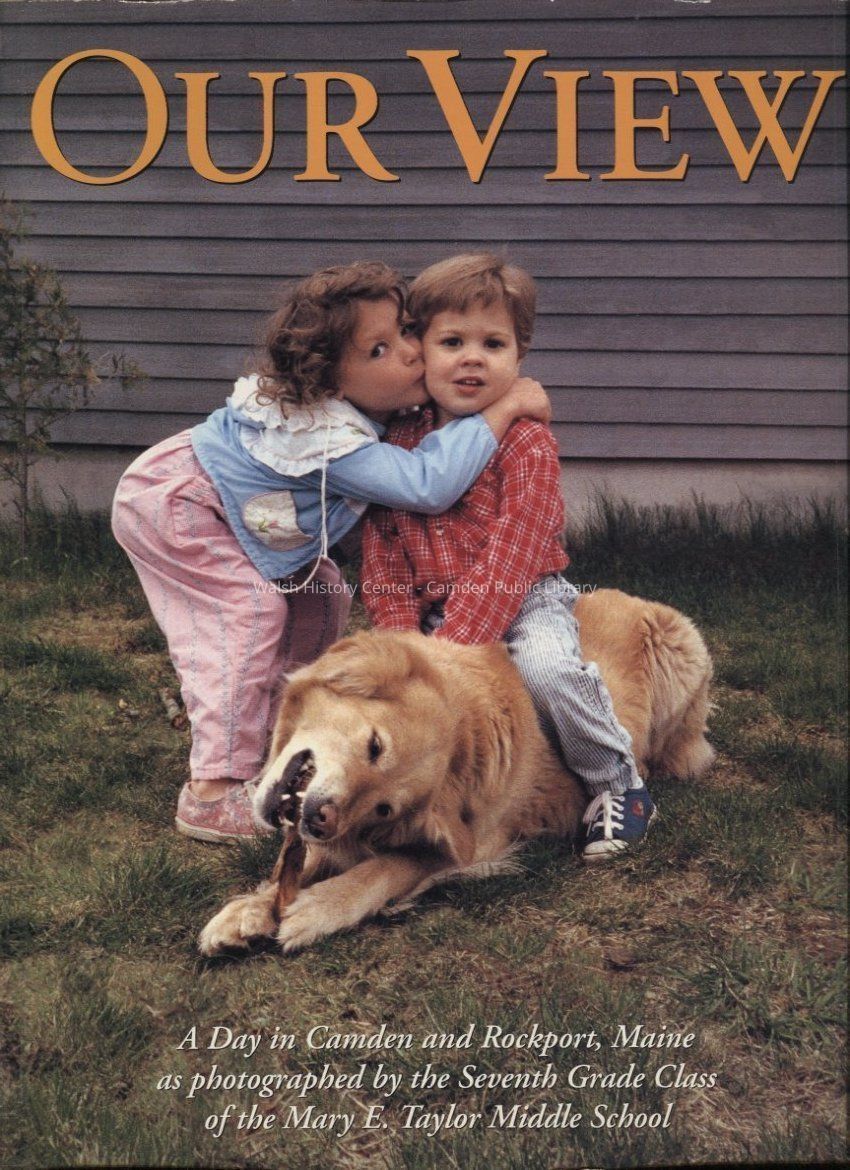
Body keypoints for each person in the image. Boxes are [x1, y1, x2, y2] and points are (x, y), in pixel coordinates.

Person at [111, 261, 550, 842]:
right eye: (379, 350)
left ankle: (286, 733)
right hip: (176, 505)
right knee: (247, 614)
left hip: (228, 510)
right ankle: (214, 786)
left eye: (406, 332)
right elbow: (426, 485)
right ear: (333, 384)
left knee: (323, 596)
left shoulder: (366, 412)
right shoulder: (324, 436)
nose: (411, 352)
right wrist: (502, 408)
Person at [361, 254, 657, 861]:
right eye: (452, 341)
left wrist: (454, 650)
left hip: (525, 599)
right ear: (420, 349)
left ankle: (617, 783)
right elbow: (384, 548)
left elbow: (516, 549)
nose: (472, 358)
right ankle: (400, 793)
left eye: (493, 344)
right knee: (384, 688)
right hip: (430, 608)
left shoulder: (527, 442)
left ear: (520, 356)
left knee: (547, 671)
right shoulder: (400, 440)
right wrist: (401, 642)